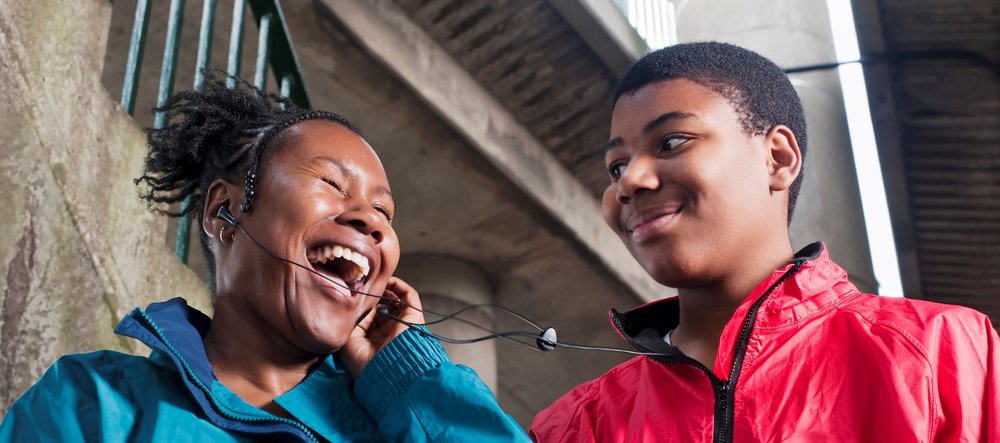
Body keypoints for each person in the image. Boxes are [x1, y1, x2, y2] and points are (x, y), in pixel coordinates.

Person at [0, 73, 529, 442]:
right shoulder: (94, 401)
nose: (371, 221)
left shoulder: (398, 425)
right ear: (225, 210)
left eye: (385, 214)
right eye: (331, 183)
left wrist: (409, 377)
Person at [529, 42, 999, 442]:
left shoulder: (940, 353)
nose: (629, 181)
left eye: (671, 142)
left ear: (777, 158)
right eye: (615, 166)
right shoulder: (573, 426)